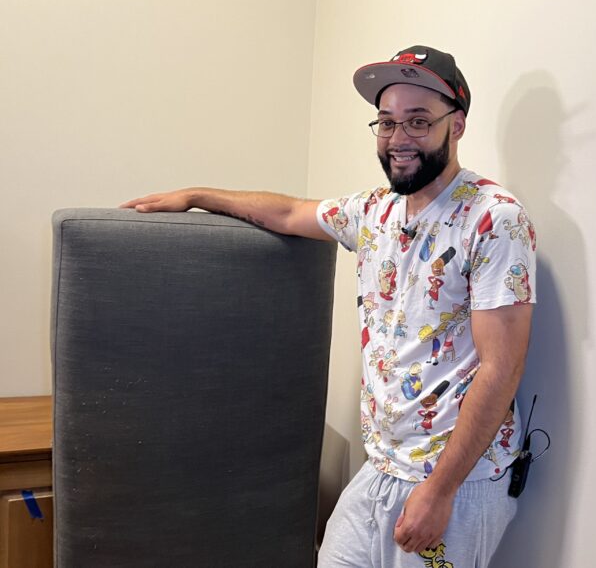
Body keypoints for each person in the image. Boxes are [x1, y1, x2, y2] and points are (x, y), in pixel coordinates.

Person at [121, 45, 536, 568]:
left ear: (456, 126)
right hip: (382, 467)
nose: (398, 139)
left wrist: (439, 491)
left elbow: (502, 368)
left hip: (456, 478)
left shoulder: (494, 218)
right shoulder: (373, 212)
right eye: (386, 123)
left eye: (417, 122)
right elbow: (291, 211)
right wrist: (197, 194)